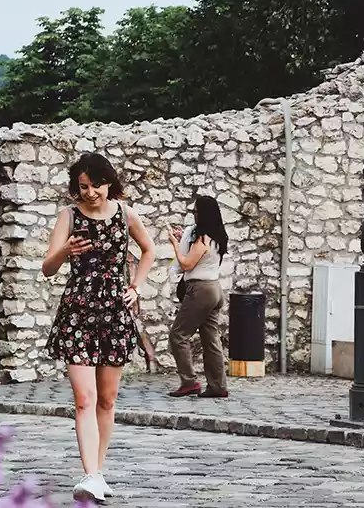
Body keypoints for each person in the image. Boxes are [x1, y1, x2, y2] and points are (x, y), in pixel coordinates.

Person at [42, 152, 155, 504]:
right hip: (78, 311)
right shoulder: (68, 216)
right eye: (83, 186)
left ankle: (98, 471)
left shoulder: (125, 214)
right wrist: (64, 250)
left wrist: (135, 286)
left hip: (114, 313)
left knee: (107, 399)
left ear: (109, 183)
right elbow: (47, 267)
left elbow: (149, 250)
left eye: (96, 185)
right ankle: (90, 474)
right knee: (84, 398)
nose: (90, 192)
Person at [167, 195, 230, 398]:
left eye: (195, 212)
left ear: (203, 214)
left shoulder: (202, 239)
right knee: (211, 339)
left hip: (199, 290)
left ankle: (189, 382)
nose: (194, 215)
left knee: (178, 335)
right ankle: (218, 386)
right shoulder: (218, 237)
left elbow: (186, 265)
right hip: (215, 288)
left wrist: (175, 244)